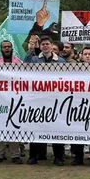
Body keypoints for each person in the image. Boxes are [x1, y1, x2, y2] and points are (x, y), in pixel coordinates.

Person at [26, 37, 65, 165]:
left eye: (47, 44)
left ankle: (58, 157)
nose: (45, 46)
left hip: (55, 99)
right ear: (40, 46)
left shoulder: (60, 61)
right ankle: (33, 156)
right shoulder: (34, 59)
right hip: (38, 99)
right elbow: (24, 69)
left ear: (51, 45)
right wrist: (29, 51)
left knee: (57, 128)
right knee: (36, 127)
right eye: (43, 44)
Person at [0, 41, 23, 164]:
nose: (7, 49)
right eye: (5, 47)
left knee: (14, 126)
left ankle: (15, 154)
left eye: (9, 47)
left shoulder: (19, 62)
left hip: (15, 99)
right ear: (1, 49)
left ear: (12, 48)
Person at [71, 48, 90, 165]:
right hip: (78, 106)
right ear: (81, 56)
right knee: (78, 131)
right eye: (85, 54)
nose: (88, 56)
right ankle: (78, 157)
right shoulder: (75, 69)